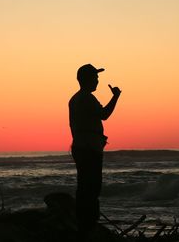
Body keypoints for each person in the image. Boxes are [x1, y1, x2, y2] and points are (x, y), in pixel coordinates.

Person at [68, 64, 121, 239]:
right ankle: (88, 226)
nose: (98, 80)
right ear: (87, 79)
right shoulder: (86, 98)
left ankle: (83, 223)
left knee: (84, 187)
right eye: (95, 77)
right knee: (91, 188)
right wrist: (116, 97)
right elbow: (104, 114)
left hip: (80, 146)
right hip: (89, 148)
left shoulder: (75, 99)